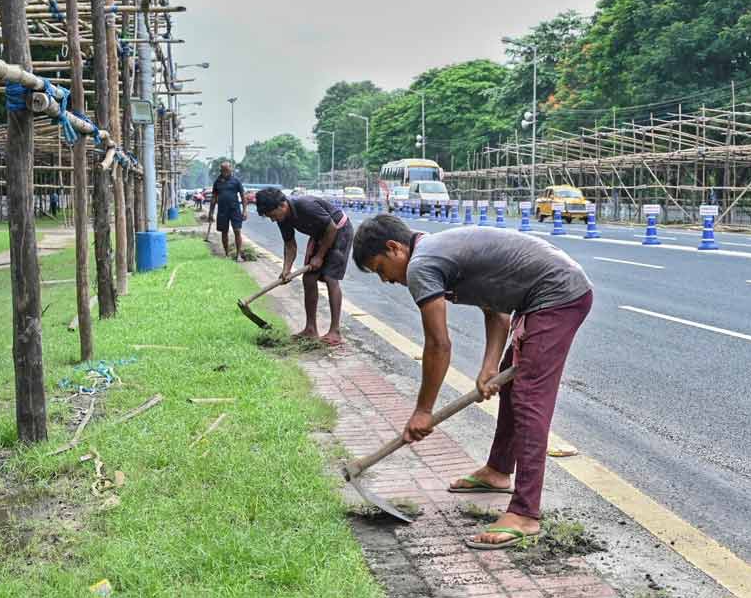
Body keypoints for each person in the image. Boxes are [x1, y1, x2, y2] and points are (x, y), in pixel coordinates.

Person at [352, 214, 593, 549]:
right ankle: (497, 471)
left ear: (394, 249)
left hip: (557, 296)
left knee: (529, 400)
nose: (386, 280)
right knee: (513, 389)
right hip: (543, 296)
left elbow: (438, 345)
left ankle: (525, 513)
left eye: (380, 269)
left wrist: (423, 411)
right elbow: (496, 309)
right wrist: (490, 366)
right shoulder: (436, 251)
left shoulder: (422, 265)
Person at [255, 188, 353, 346]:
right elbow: (290, 245)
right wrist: (286, 270)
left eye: (273, 215)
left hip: (339, 230)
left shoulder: (305, 205)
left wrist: (320, 256)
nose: (273, 220)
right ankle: (310, 329)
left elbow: (332, 228)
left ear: (282, 206)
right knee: (308, 278)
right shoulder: (282, 219)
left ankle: (335, 331)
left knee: (330, 277)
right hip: (321, 234)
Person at [207, 162, 248, 260]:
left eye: (227, 170)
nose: (225, 172)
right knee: (224, 232)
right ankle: (226, 254)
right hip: (222, 210)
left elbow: (243, 196)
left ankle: (238, 255)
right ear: (221, 171)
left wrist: (245, 210)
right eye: (223, 170)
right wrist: (211, 212)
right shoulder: (217, 182)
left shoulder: (236, 181)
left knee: (237, 230)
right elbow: (214, 197)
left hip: (235, 209)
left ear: (231, 170)